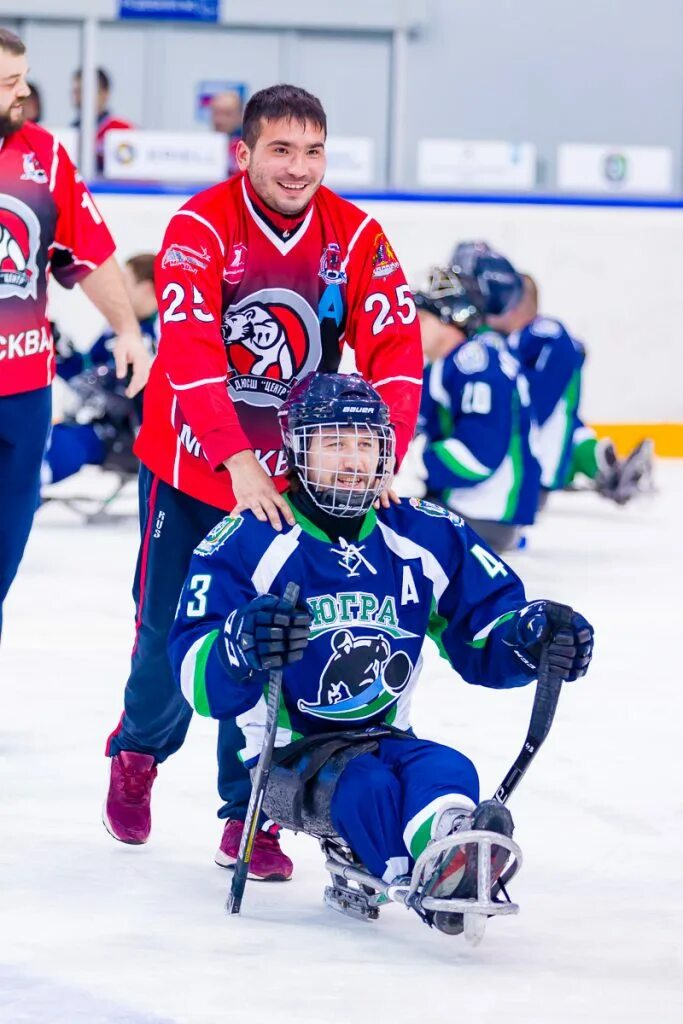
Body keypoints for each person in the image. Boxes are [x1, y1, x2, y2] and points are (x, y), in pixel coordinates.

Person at [102, 84, 422, 881]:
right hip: (191, 469)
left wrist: (382, 455)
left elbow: (397, 351)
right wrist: (234, 460)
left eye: (313, 151)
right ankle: (138, 748)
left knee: (272, 646)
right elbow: (187, 351)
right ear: (244, 153)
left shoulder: (357, 236)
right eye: (280, 149)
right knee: (165, 636)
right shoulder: (200, 226)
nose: (298, 167)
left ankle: (248, 814)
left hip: (290, 484)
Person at [167, 372, 593, 931]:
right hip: (289, 757)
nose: (353, 461)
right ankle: (418, 873)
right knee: (367, 788)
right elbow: (193, 673)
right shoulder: (249, 537)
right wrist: (241, 643)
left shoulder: (423, 533)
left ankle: (451, 844)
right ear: (297, 449)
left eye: (366, 444)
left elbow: (486, 629)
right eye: (335, 443)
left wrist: (533, 637)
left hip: (387, 736)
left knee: (447, 766)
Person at [0, 27, 150, 640]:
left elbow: (87, 253)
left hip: (23, 398)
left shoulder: (44, 154)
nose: (24, 91)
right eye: (9, 83)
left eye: (23, 77)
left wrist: (127, 328)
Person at [483, 265, 653, 506]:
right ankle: (606, 466)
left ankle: (607, 468)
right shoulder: (523, 337)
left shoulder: (542, 335)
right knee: (573, 430)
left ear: (516, 304)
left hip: (529, 468)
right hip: (543, 453)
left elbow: (533, 409)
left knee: (561, 427)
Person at [412, 265, 541, 552]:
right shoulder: (449, 363)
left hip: (483, 516)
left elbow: (478, 455)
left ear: (450, 319)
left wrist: (414, 465)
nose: (413, 327)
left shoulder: (474, 364)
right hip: (476, 510)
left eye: (422, 318)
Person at [44, 253, 159, 485]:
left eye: (125, 284)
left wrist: (110, 378)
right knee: (36, 436)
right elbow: (86, 376)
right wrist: (59, 349)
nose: (119, 291)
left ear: (147, 289)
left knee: (60, 446)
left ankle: (26, 485)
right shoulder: (118, 329)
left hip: (127, 434)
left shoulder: (161, 333)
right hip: (98, 423)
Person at [71, 66, 134, 174]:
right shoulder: (72, 131)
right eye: (76, 91)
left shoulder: (121, 130)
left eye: (83, 91)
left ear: (105, 94)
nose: (79, 97)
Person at [209, 90, 243, 177]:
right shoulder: (203, 146)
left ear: (240, 116)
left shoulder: (249, 149)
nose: (219, 120)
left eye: (227, 114)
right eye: (216, 113)